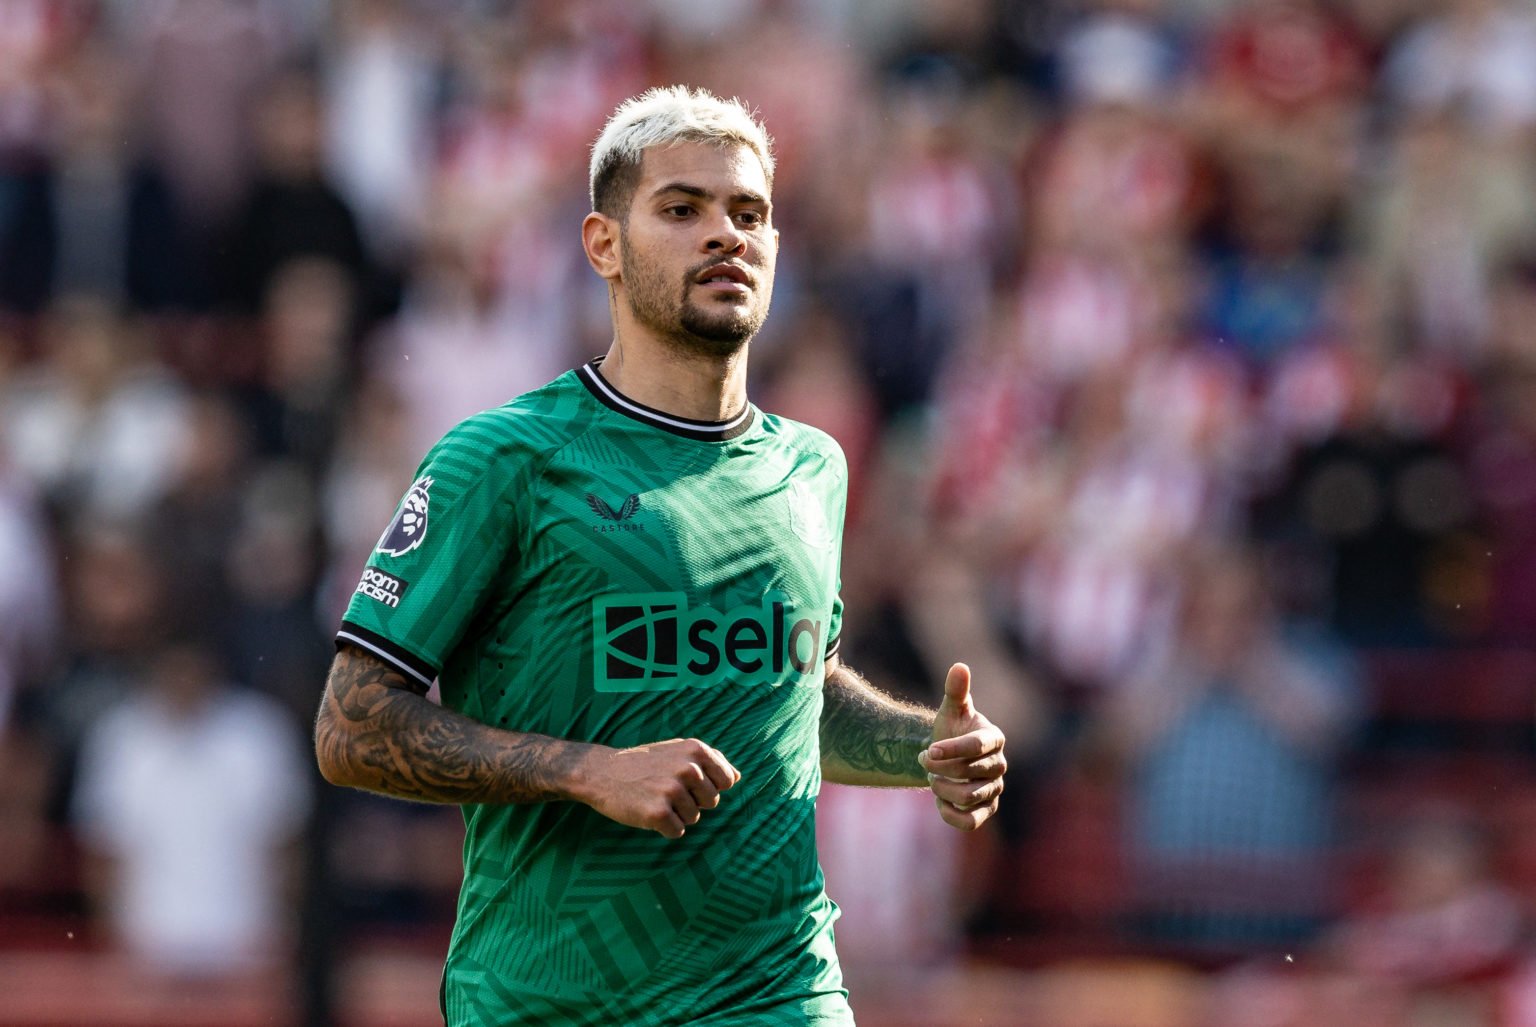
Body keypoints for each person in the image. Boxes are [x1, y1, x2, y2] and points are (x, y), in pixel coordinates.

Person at [312, 85, 1008, 1026]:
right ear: (604, 244)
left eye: (748, 213)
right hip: (549, 1000)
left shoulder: (815, 468)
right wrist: (587, 770)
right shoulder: (506, 459)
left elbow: (789, 694)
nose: (726, 234)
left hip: (777, 995)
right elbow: (350, 727)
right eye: (682, 209)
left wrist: (921, 747)